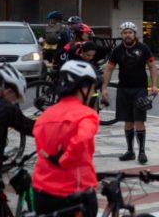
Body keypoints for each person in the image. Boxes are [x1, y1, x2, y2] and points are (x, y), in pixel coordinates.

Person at [32, 60, 99, 217]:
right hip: (74, 193)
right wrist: (64, 159)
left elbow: (40, 148)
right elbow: (82, 139)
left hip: (42, 190)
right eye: (92, 89)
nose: (92, 93)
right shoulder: (87, 115)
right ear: (83, 87)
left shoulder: (45, 115)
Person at [101, 22, 159, 165]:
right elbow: (109, 69)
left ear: (135, 34)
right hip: (123, 89)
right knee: (127, 121)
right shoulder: (117, 50)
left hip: (140, 89)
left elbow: (152, 66)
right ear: (121, 35)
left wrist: (155, 85)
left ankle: (142, 152)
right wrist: (104, 88)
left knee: (139, 121)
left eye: (130, 32)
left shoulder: (143, 48)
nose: (127, 35)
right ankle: (130, 151)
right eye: (124, 32)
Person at [0, 63, 35, 190]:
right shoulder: (6, 108)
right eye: (15, 98)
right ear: (7, 91)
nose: (14, 102)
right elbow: (30, 127)